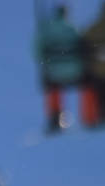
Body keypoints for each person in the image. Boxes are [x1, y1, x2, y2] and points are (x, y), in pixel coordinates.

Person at [35, 3, 89, 131]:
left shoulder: (46, 30)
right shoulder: (74, 29)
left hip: (53, 71)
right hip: (75, 70)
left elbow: (37, 51)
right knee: (88, 82)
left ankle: (55, 118)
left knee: (52, 86)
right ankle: (90, 116)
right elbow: (84, 49)